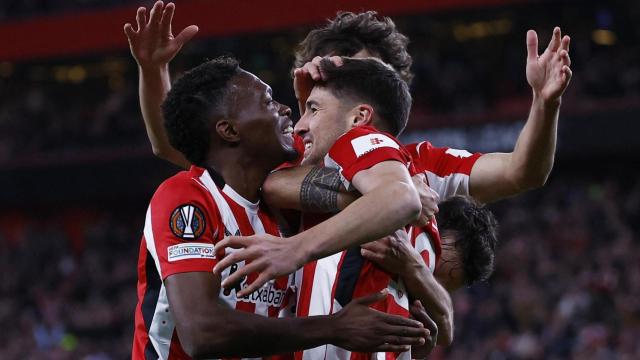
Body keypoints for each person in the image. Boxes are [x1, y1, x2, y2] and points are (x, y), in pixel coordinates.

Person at [131, 56, 430, 359]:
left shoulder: (286, 211)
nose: (286, 109)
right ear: (230, 131)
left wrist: (406, 329)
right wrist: (334, 327)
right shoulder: (187, 196)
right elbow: (202, 331)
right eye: (268, 102)